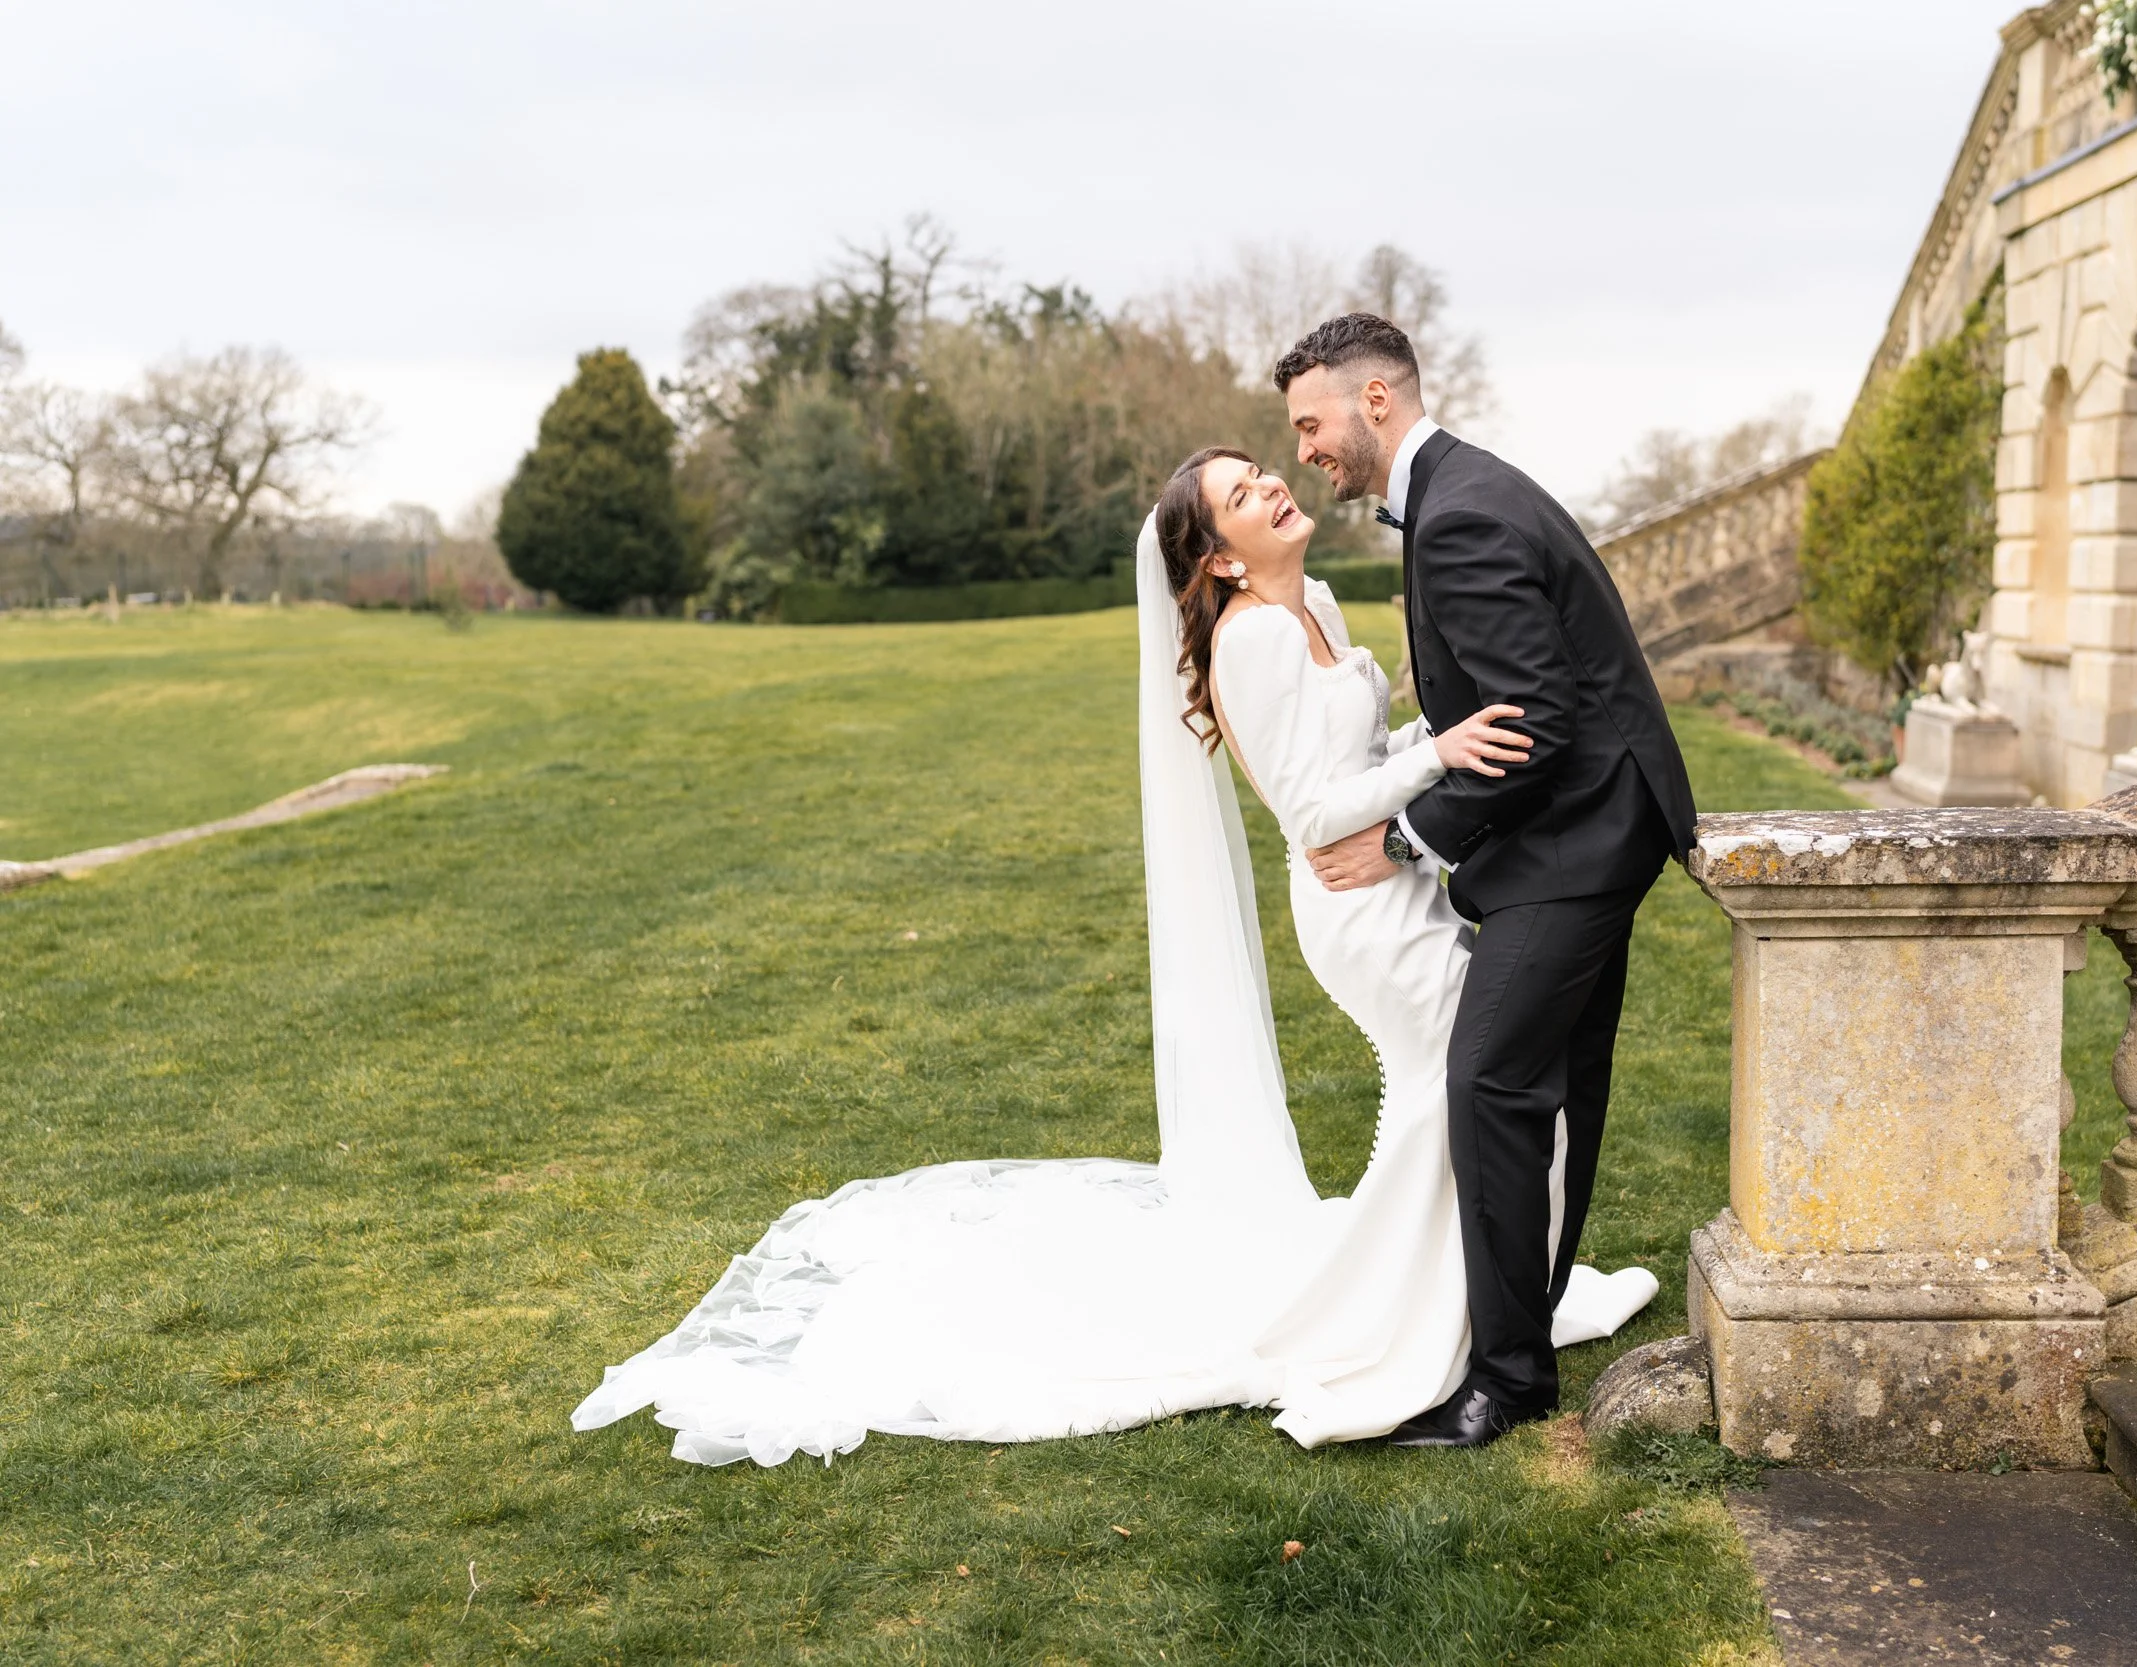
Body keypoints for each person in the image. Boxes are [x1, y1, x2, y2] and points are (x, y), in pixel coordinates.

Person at [570, 429, 1659, 1466]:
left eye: (1264, 473)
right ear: (1222, 557)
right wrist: (1439, 761)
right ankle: (1409, 1325)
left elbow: (1359, 745)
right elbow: (1313, 808)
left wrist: (1427, 740)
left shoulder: (1314, 602)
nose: (1275, 486)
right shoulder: (1252, 639)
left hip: (1397, 884)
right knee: (1449, 1092)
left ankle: (1469, 1310)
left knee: (1456, 1095)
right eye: (1243, 496)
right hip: (1355, 905)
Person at [1274, 313, 1697, 1448]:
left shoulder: (1459, 514)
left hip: (1575, 838)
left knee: (1492, 1086)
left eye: (1310, 423)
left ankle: (1506, 1378)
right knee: (1555, 1082)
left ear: (1374, 401)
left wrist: (1407, 836)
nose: (1305, 449)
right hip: (1598, 825)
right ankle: (1524, 1324)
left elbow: (1540, 718)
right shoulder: (1462, 489)